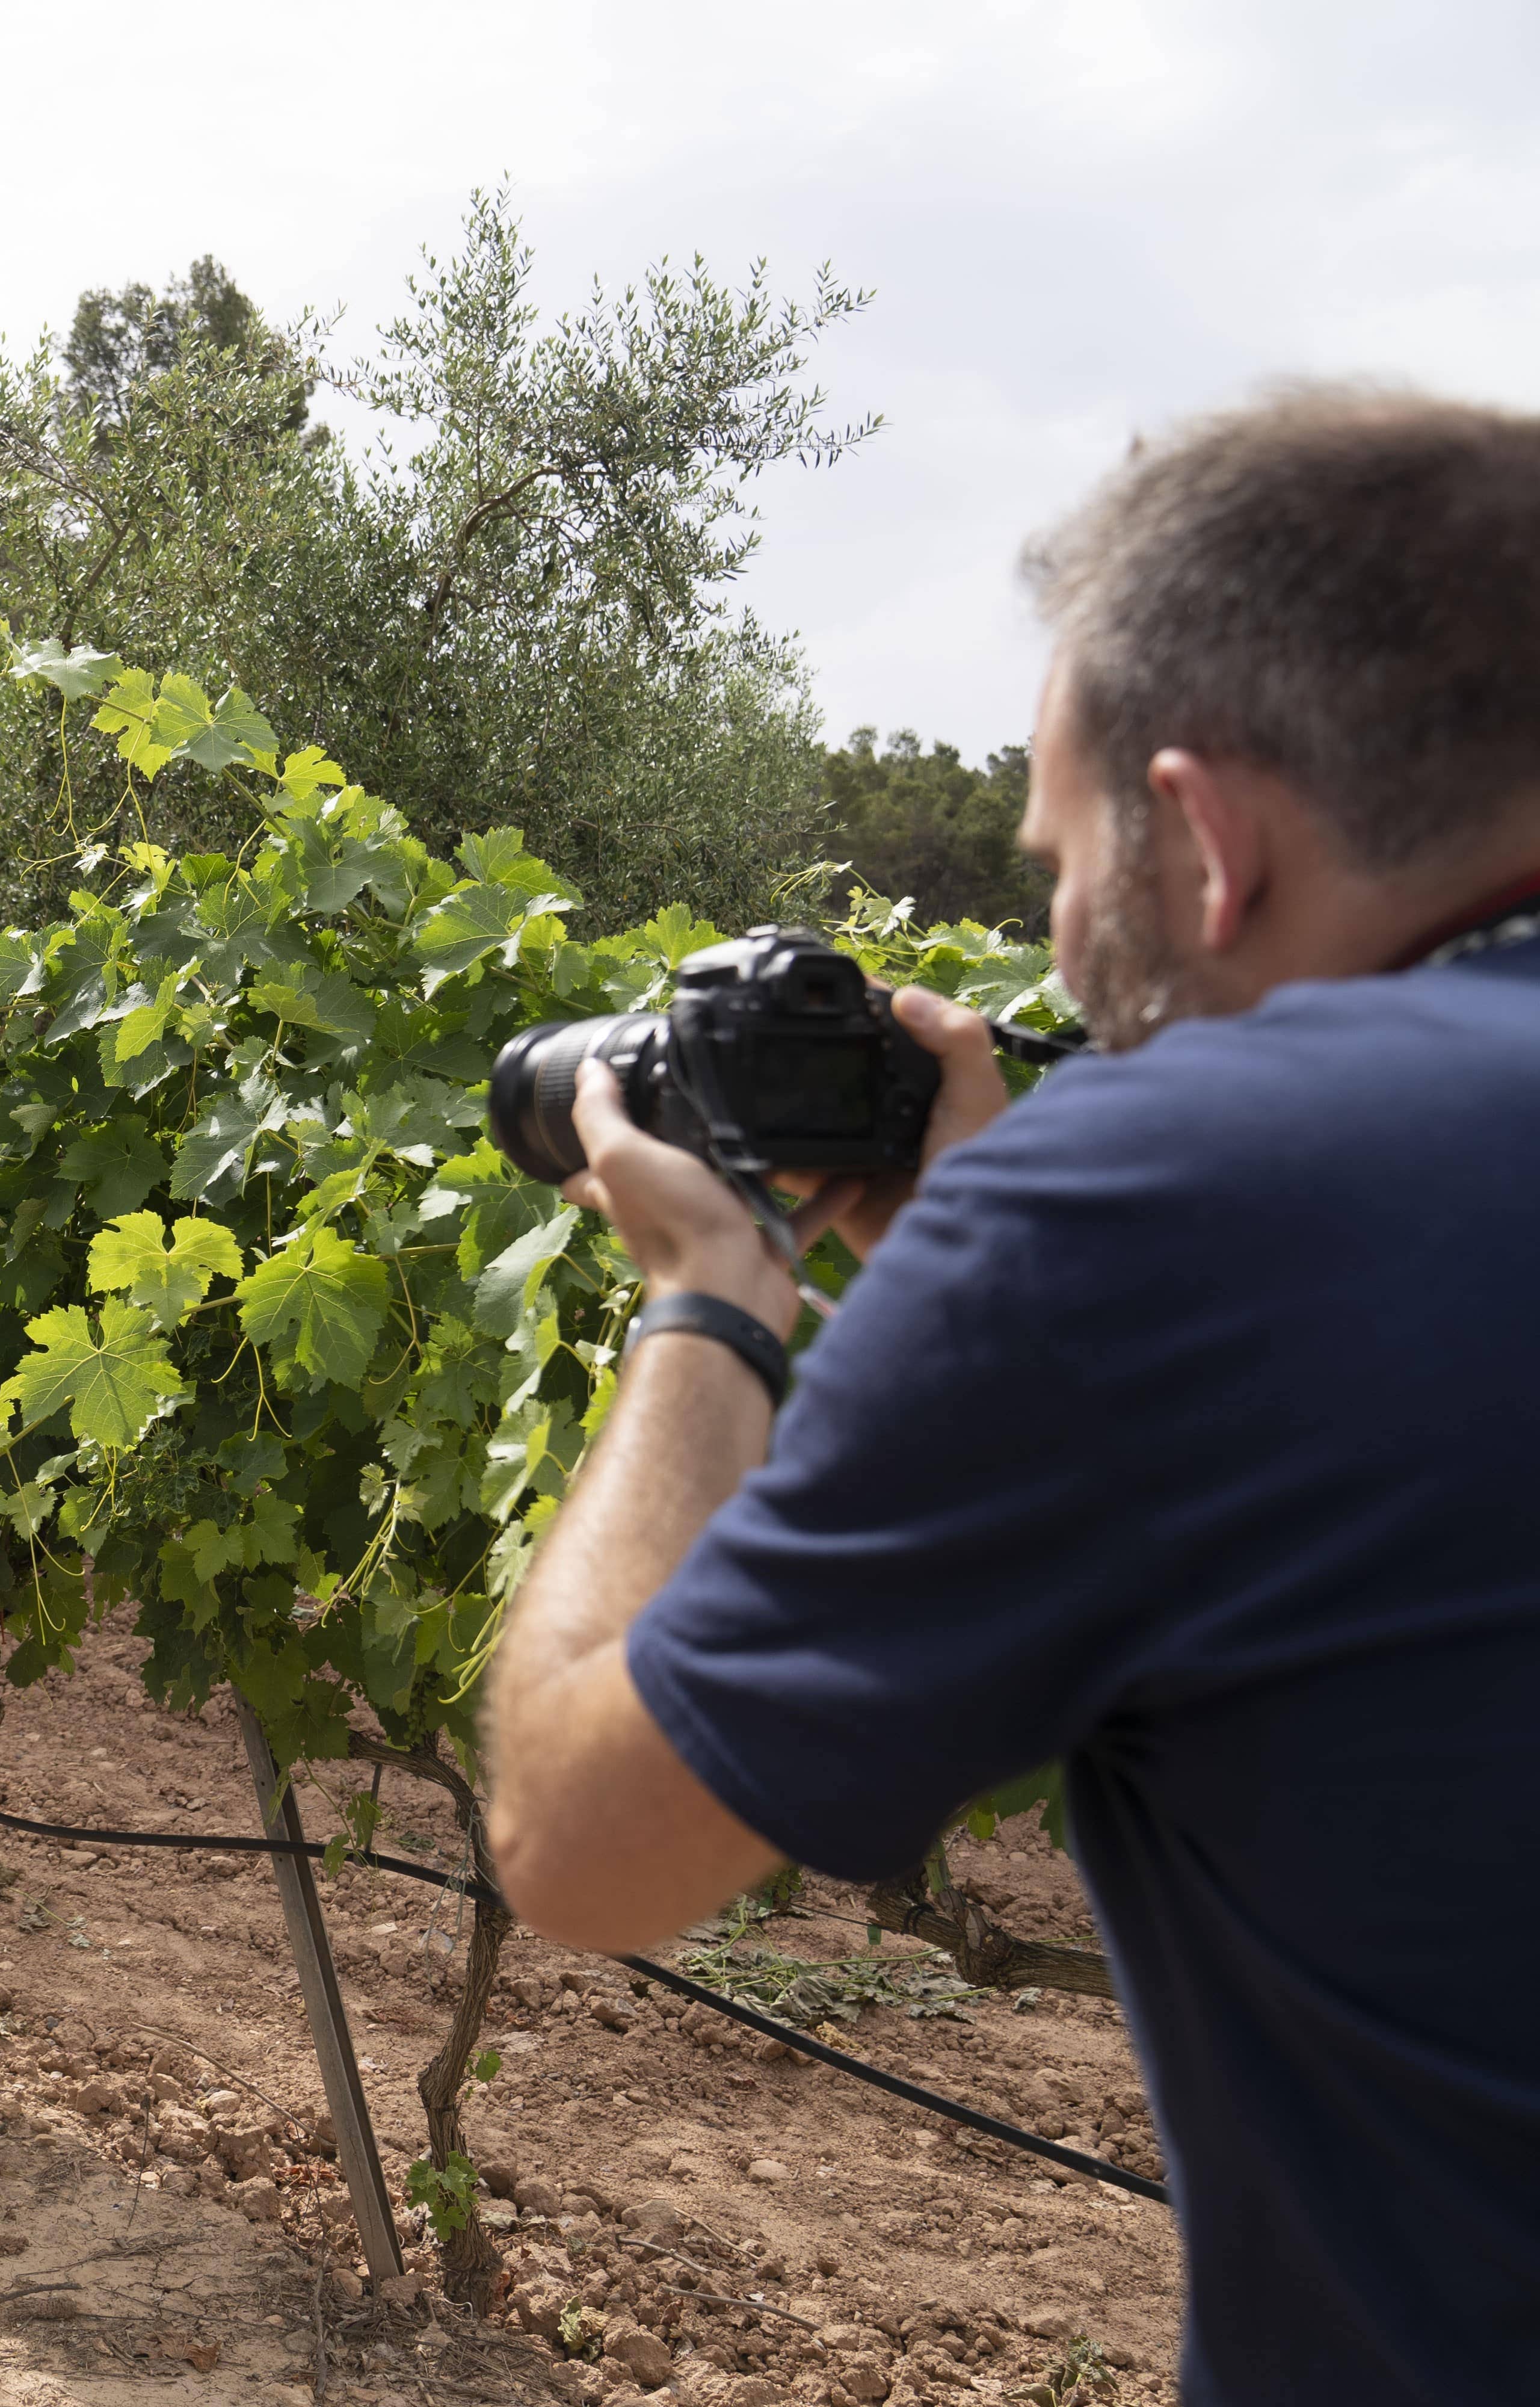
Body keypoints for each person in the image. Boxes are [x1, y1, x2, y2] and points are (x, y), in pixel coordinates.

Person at [483, 390, 1540, 2403]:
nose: (1062, 932)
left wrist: (717, 1298)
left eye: (1063, 861)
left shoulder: (1169, 1210)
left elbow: (580, 1843)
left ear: (1209, 846)